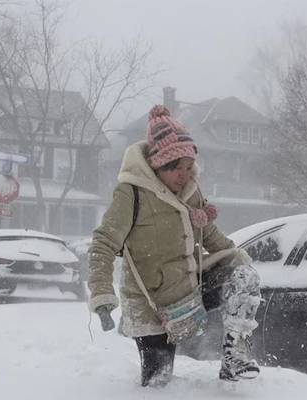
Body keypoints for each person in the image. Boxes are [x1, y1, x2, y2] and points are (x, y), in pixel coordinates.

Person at [87, 105, 262, 387]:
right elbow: (103, 243)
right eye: (176, 168)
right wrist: (102, 294)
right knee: (158, 382)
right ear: (158, 165)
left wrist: (240, 259)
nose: (184, 175)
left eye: (188, 166)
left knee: (243, 276)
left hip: (189, 288)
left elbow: (210, 235)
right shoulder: (131, 193)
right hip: (150, 303)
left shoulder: (190, 192)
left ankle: (235, 357)